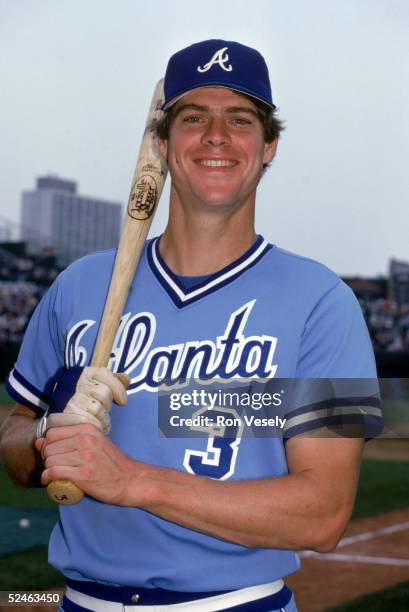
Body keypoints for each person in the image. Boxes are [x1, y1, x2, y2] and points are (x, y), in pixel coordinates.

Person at [0, 40, 382, 612]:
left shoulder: (323, 301)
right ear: (161, 143)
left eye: (240, 120)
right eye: (194, 118)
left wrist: (133, 481)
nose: (216, 137)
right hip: (80, 602)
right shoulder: (79, 287)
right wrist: (48, 435)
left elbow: (323, 513)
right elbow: (16, 442)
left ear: (269, 145)